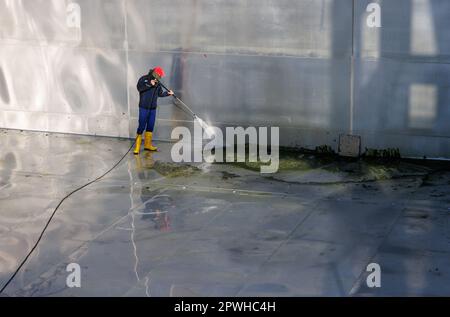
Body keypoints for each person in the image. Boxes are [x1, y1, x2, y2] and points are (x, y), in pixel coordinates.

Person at [134, 66, 174, 154]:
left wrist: (168, 93)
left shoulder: (158, 83)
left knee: (150, 127)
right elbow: (139, 88)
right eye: (159, 75)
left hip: (153, 109)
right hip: (143, 108)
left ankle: (147, 145)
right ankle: (136, 147)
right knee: (141, 127)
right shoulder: (144, 79)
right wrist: (149, 84)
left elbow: (160, 93)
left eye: (161, 76)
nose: (160, 77)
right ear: (155, 73)